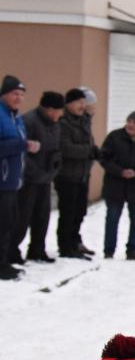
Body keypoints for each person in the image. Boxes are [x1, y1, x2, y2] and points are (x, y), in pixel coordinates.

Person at [99, 110, 135, 261]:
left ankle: (132, 250)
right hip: (115, 186)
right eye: (129, 121)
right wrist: (120, 171)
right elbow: (103, 158)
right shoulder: (114, 137)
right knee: (112, 219)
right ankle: (109, 251)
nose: (131, 125)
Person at [13, 90, 63, 263]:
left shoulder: (55, 124)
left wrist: (55, 166)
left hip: (46, 178)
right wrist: (34, 172)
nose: (60, 114)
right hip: (29, 179)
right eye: (59, 110)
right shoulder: (29, 121)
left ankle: (37, 249)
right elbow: (22, 152)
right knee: (22, 216)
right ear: (50, 109)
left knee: (42, 216)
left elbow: (56, 148)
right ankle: (11, 251)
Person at [57, 87, 98, 259]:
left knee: (80, 211)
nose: (83, 106)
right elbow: (66, 148)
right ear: (69, 104)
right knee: (68, 212)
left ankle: (75, 242)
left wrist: (96, 151)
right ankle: (66, 246)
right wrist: (89, 151)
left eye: (84, 102)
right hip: (67, 175)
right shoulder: (63, 122)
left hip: (83, 174)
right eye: (79, 102)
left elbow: (89, 143)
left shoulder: (83, 121)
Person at [0, 74, 32, 280]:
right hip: (2, 181)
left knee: (10, 222)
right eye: (14, 93)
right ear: (4, 94)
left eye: (21, 94)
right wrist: (23, 145)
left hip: (13, 181)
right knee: (3, 223)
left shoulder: (16, 118)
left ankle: (4, 261)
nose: (19, 98)